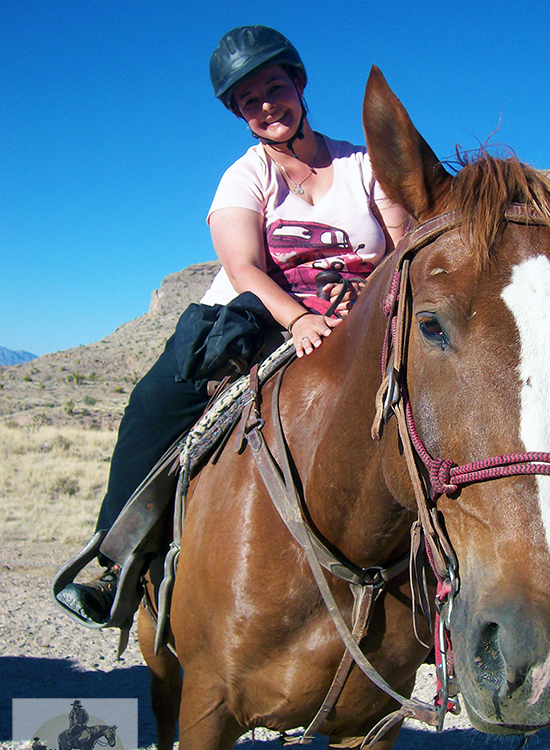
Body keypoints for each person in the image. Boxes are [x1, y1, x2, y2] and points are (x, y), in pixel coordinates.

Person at [55, 25, 407, 625]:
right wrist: (299, 319)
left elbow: (402, 245)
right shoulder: (245, 176)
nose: (267, 105)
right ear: (239, 113)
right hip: (257, 315)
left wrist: (374, 302)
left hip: (363, 316)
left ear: (299, 83)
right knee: (153, 404)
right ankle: (117, 564)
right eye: (250, 100)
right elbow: (242, 265)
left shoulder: (364, 166)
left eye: (275, 87)